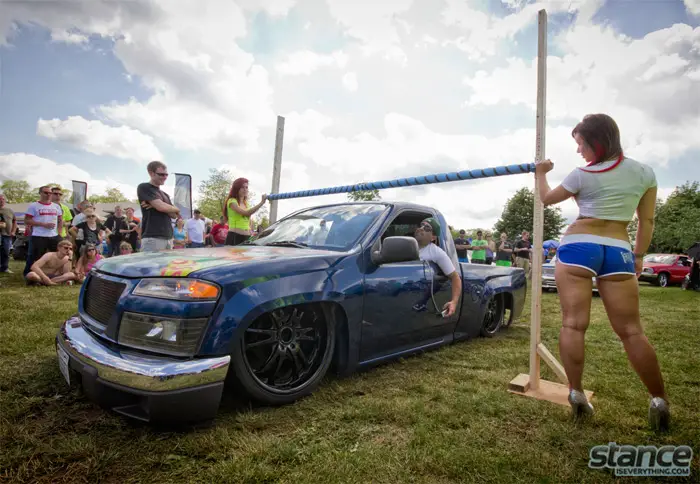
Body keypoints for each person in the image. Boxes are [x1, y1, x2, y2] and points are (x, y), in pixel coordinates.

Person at [535, 113, 669, 431]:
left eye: (581, 144)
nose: (579, 151)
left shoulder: (582, 174)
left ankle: (577, 395)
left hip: (579, 246)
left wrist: (541, 173)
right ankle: (659, 400)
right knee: (632, 331)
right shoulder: (644, 173)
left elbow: (546, 198)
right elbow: (646, 222)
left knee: (573, 325)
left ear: (596, 141)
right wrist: (638, 256)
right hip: (619, 250)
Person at [414, 218, 462, 317]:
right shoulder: (406, 244)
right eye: (421, 225)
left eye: (427, 228)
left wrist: (454, 302)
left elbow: (455, 277)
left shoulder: (436, 252)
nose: (421, 228)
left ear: (433, 237)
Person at [137, 161, 180, 252]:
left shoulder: (165, 195)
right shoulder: (144, 187)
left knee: (167, 266)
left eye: (166, 175)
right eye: (161, 174)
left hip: (168, 237)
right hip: (152, 237)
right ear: (151, 173)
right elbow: (162, 207)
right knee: (151, 266)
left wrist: (157, 206)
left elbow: (174, 215)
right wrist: (174, 208)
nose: (164, 177)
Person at [23, 186, 63, 277]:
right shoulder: (34, 206)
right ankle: (29, 274)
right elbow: (27, 220)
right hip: (38, 235)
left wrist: (59, 233)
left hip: (54, 236)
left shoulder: (56, 206)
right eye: (45, 192)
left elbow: (60, 220)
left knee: (57, 255)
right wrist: (43, 224)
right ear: (40, 193)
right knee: (35, 256)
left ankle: (54, 273)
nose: (48, 194)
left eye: (50, 193)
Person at [223, 178, 267, 246]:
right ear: (236, 188)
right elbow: (247, 213)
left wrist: (250, 232)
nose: (245, 189)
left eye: (246, 187)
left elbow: (249, 220)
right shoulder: (232, 201)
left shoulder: (247, 204)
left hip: (247, 237)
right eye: (242, 187)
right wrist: (261, 203)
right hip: (234, 237)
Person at [0, 194, 17, 274]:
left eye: (3, 199)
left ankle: (4, 268)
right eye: (0, 199)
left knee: (6, 252)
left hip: (7, 234)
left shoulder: (9, 210)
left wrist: (13, 231)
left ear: (5, 200)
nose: (1, 200)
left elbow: (14, 221)